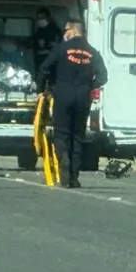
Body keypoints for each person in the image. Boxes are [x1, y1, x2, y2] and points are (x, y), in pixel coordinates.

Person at [38, 19, 107, 188]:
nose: (64, 33)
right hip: (83, 96)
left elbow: (44, 68)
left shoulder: (62, 48)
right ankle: (74, 177)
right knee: (78, 135)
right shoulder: (92, 52)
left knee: (61, 133)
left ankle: (64, 167)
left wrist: (42, 89)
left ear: (74, 31)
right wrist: (89, 86)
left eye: (66, 29)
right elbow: (103, 76)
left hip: (63, 94)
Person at [32, 7, 62, 87]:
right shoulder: (39, 31)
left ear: (48, 18)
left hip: (52, 65)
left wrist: (48, 51)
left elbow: (57, 47)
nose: (40, 20)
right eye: (38, 18)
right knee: (40, 86)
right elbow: (34, 44)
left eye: (42, 18)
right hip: (40, 63)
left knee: (52, 86)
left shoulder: (55, 31)